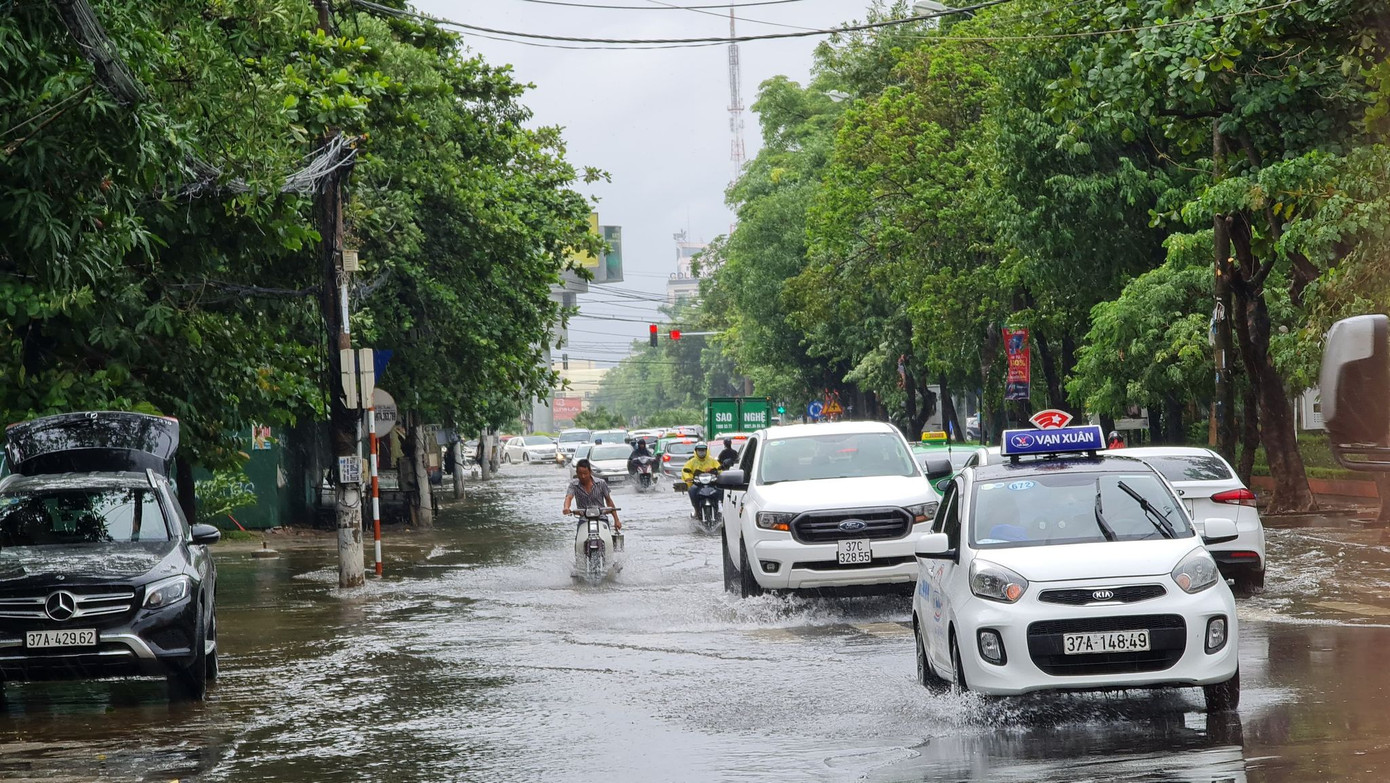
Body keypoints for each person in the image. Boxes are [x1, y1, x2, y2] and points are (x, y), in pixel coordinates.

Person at [563, 459, 621, 529]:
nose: (583, 476)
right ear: (576, 473)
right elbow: (569, 497)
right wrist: (566, 508)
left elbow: (609, 501)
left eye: (585, 473)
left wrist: (616, 520)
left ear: (590, 472)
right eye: (580, 474)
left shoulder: (601, 483)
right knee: (580, 539)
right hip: (584, 519)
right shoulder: (573, 485)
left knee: (607, 538)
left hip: (601, 518)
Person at [681, 442, 723, 517]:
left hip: (712, 483)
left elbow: (719, 469)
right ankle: (696, 509)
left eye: (703, 450)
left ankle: (720, 507)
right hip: (698, 484)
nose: (701, 452)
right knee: (691, 490)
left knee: (721, 489)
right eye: (699, 450)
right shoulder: (692, 462)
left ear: (706, 450)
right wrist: (688, 478)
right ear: (696, 451)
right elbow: (685, 470)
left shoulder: (712, 460)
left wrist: (719, 474)